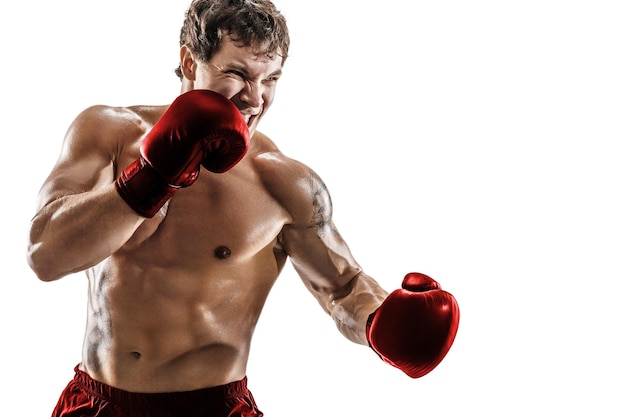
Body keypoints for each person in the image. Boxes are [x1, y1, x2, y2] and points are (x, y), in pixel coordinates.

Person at [26, 0, 460, 416]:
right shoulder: (109, 133)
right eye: (238, 73)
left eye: (271, 79)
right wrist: (154, 176)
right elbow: (46, 254)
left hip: (213, 408)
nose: (256, 99)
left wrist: (381, 324)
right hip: (98, 403)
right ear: (190, 62)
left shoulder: (284, 183)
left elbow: (343, 288)